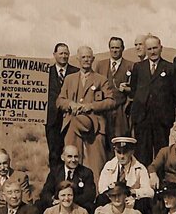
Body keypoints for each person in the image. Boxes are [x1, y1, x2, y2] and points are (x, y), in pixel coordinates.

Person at [56, 45, 117, 179]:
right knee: (71, 161)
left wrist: (91, 106)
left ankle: (96, 195)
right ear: (78, 59)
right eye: (83, 57)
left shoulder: (101, 80)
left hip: (96, 127)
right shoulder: (69, 79)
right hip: (72, 124)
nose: (86, 60)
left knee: (96, 164)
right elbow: (60, 101)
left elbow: (111, 101)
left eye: (89, 57)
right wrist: (70, 104)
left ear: (93, 59)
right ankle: (71, 192)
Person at [128, 35, 176, 166]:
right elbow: (134, 90)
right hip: (142, 119)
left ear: (161, 48)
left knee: (161, 153)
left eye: (155, 48)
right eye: (149, 49)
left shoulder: (170, 68)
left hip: (162, 119)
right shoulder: (138, 67)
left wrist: (171, 117)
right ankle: (144, 183)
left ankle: (160, 182)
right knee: (142, 154)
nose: (153, 51)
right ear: (145, 49)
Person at [96, 137, 154, 214]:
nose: (122, 156)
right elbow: (101, 188)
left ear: (132, 152)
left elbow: (150, 192)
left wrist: (134, 192)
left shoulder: (140, 168)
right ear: (115, 151)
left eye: (125, 152)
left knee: (144, 204)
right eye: (119, 152)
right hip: (113, 199)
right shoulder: (109, 166)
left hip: (131, 200)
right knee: (101, 199)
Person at [93, 36, 132, 143]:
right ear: (109, 48)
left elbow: (135, 89)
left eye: (117, 48)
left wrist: (127, 89)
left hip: (121, 109)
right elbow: (95, 85)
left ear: (122, 48)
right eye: (112, 47)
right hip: (104, 110)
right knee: (104, 139)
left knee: (120, 139)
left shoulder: (131, 66)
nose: (115, 50)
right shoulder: (101, 65)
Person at [38, 145, 97, 213]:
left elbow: (89, 195)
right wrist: (53, 201)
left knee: (90, 207)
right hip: (57, 206)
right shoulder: (55, 172)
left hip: (77, 207)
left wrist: (68, 202)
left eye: (76, 156)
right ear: (63, 157)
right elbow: (46, 192)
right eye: (69, 156)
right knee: (39, 204)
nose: (73, 160)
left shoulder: (86, 172)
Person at [46, 44, 75, 169]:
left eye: (66, 54)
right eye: (61, 53)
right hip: (52, 119)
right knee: (54, 152)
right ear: (54, 55)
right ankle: (55, 180)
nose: (64, 56)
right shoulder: (46, 72)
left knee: (71, 151)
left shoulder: (76, 72)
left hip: (71, 119)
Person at [0, 149, 33, 214]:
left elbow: (26, 201)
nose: (2, 167)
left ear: (9, 162)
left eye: (5, 163)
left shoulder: (21, 177)